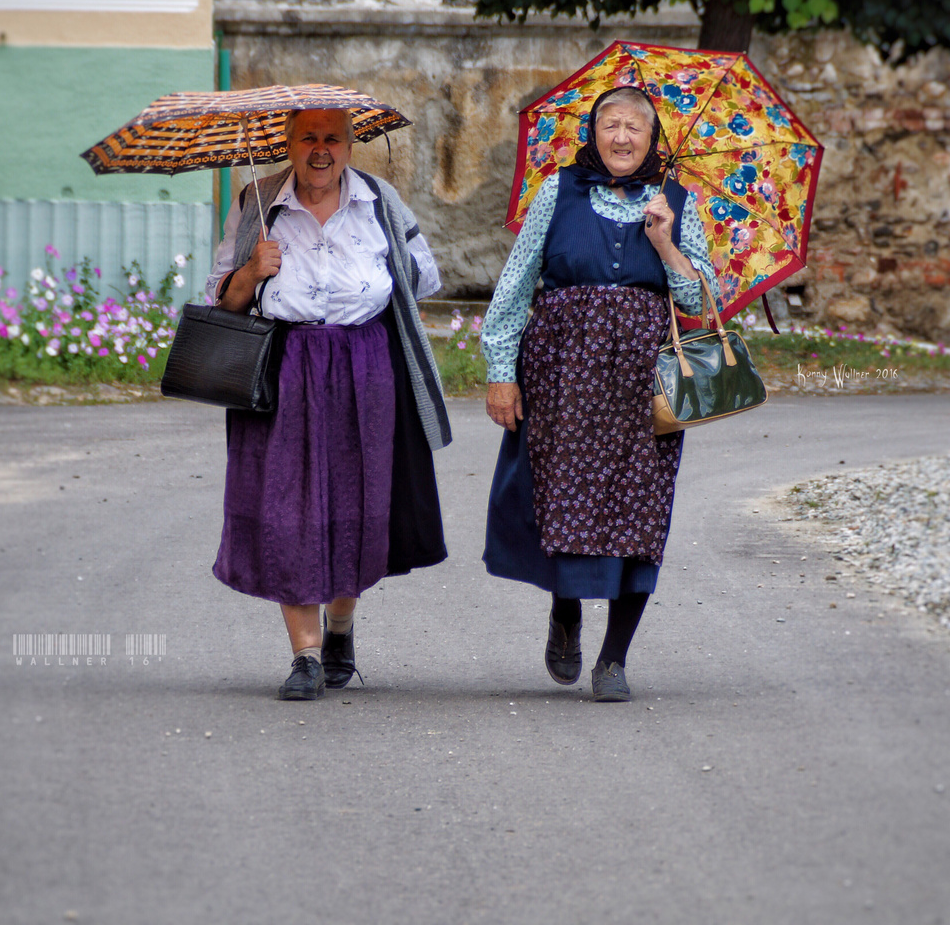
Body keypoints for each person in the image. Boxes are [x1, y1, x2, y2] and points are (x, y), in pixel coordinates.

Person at [203, 107, 451, 700]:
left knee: (356, 505)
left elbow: (424, 280)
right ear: (287, 143)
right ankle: (306, 656)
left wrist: (383, 270)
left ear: (349, 145)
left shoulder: (380, 200)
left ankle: (340, 629)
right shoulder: (257, 203)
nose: (321, 150)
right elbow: (220, 298)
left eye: (332, 139)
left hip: (366, 365)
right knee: (288, 509)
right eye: (308, 137)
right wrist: (250, 274)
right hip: (283, 367)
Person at [481, 86, 717, 702]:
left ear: (652, 139)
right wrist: (501, 370)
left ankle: (614, 660)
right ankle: (565, 610)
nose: (621, 137)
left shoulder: (678, 204)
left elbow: (699, 303)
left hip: (646, 387)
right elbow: (514, 287)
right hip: (562, 375)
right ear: (594, 132)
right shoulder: (558, 192)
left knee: (640, 509)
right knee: (562, 497)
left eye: (634, 128)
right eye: (610, 124)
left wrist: (665, 242)